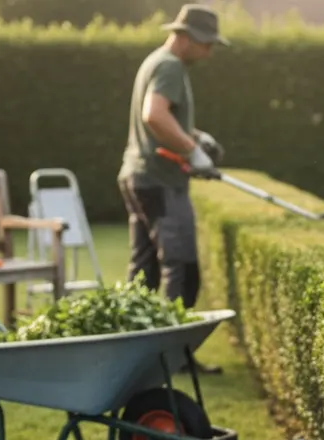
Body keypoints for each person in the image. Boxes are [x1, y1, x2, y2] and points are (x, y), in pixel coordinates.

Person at [117, 3, 228, 374]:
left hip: (137, 175)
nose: (210, 52)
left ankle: (135, 353)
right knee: (181, 267)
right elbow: (155, 115)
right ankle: (173, 358)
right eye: (208, 44)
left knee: (144, 272)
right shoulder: (170, 66)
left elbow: (165, 118)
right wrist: (192, 151)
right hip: (160, 182)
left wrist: (197, 137)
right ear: (190, 39)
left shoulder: (154, 60)